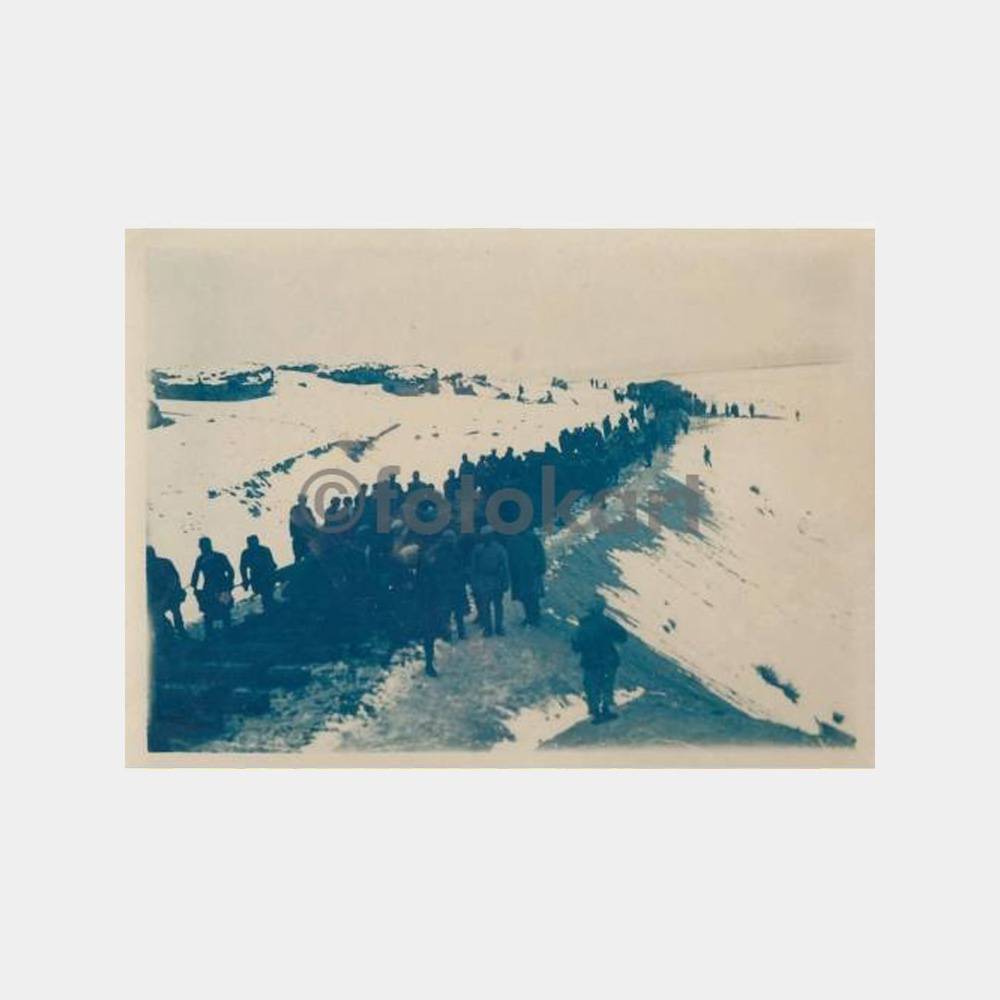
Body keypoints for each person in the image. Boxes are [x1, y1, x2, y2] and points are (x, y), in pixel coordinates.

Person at [570, 595, 628, 723]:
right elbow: (623, 636)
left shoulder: (583, 626)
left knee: (591, 686)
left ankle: (595, 712)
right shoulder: (607, 622)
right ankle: (607, 708)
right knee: (607, 685)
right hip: (609, 659)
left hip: (590, 661)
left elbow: (576, 646)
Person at [470, 525, 509, 636]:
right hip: (483, 580)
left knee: (498, 605)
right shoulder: (478, 550)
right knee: (485, 605)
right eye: (484, 536)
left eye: (488, 536)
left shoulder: (499, 549)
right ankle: (488, 628)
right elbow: (474, 567)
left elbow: (505, 566)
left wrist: (505, 581)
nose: (486, 538)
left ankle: (499, 627)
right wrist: (474, 583)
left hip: (496, 579)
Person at [190, 537, 235, 633]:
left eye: (203, 546)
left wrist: (229, 583)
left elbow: (230, 571)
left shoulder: (219, 556)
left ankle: (227, 630)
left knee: (224, 609)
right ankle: (211, 633)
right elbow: (195, 574)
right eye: (201, 546)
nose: (202, 548)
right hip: (210, 587)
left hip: (222, 586)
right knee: (209, 610)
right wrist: (194, 586)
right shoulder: (200, 559)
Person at [505, 525, 546, 626]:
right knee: (524, 596)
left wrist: (540, 567)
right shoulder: (512, 541)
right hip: (519, 574)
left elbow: (540, 553)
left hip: (532, 572)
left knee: (533, 595)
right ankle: (529, 616)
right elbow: (509, 558)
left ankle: (535, 616)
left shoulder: (532, 538)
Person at [146, 545, 185, 638]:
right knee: (156, 615)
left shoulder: (164, 563)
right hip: (159, 598)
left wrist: (169, 595)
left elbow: (174, 580)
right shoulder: (147, 568)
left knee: (175, 611)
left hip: (171, 595)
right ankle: (170, 631)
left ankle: (180, 631)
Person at [239, 534, 278, 613]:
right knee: (266, 596)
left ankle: (271, 610)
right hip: (256, 578)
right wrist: (245, 580)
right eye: (251, 544)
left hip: (266, 576)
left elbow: (271, 564)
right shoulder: (246, 553)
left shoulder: (265, 550)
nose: (253, 546)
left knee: (268, 595)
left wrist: (271, 575)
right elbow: (243, 568)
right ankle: (270, 610)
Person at [289, 494, 317, 561]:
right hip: (300, 536)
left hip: (305, 537)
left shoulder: (307, 510)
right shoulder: (296, 509)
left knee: (305, 556)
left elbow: (312, 522)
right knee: (300, 556)